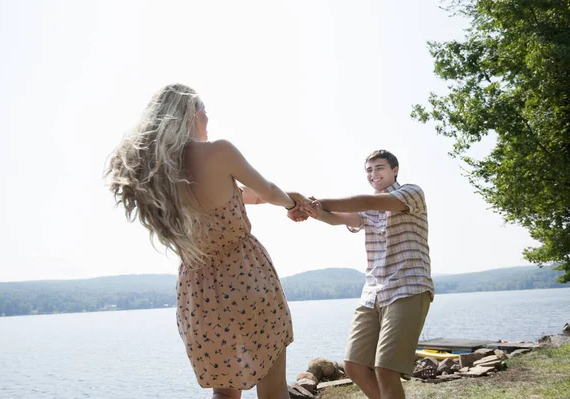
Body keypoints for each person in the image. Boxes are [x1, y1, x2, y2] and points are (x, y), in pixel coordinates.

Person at [106, 83, 308, 399]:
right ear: (192, 112)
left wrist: (282, 198)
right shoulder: (218, 151)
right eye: (205, 111)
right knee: (272, 387)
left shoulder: (161, 173)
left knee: (224, 391)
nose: (208, 119)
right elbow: (266, 189)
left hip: (197, 290)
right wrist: (290, 204)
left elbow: (243, 196)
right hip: (244, 276)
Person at [301, 150, 434, 399]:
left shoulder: (411, 192)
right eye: (369, 170)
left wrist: (317, 201)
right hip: (373, 292)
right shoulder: (366, 209)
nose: (374, 174)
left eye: (379, 168)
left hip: (409, 286)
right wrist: (312, 211)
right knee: (354, 365)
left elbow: (369, 202)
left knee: (385, 369)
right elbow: (335, 218)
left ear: (395, 169)